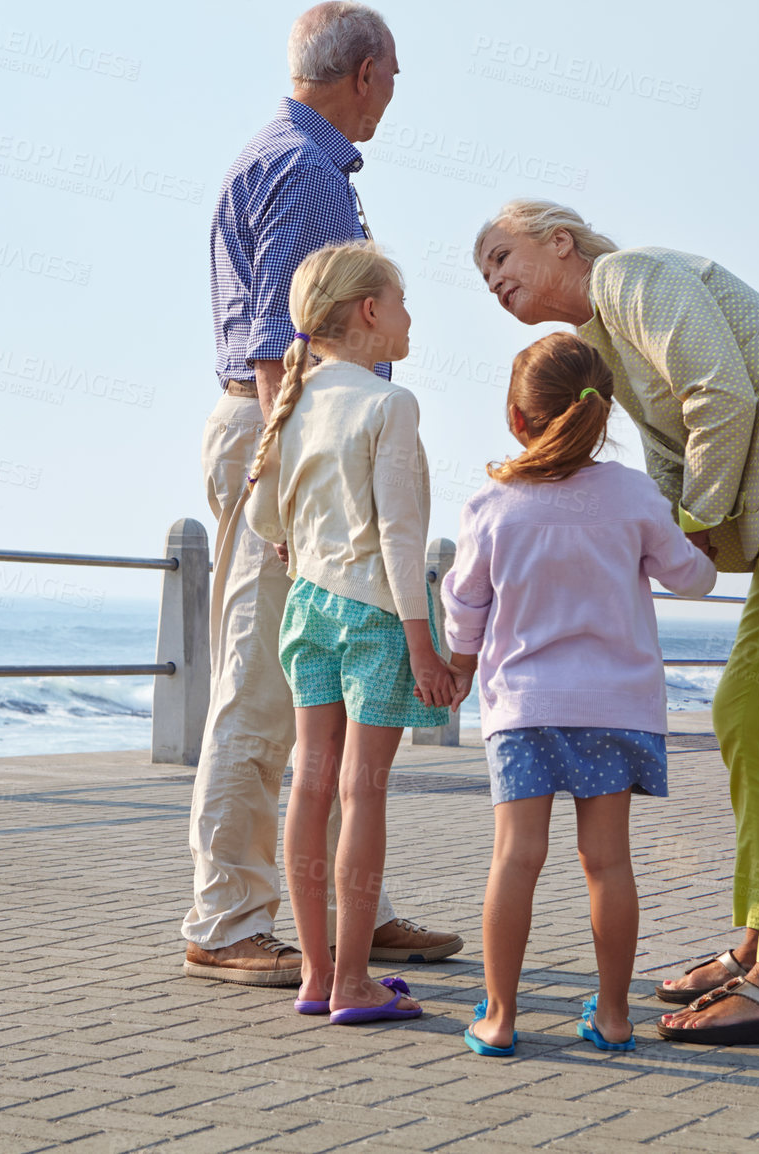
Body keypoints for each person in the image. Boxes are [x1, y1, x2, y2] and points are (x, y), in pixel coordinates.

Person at [474, 200, 759, 1045]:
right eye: (482, 273)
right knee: (741, 715)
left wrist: (686, 526)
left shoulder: (629, 275)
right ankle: (758, 941)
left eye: (501, 255)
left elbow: (723, 394)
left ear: (559, 241)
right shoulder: (602, 348)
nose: (493, 278)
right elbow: (673, 466)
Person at [185, 2, 461, 986]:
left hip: (299, 444)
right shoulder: (303, 171)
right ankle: (227, 916)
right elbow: (279, 352)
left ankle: (355, 908)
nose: (395, 91)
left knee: (332, 686)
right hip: (296, 449)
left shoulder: (298, 159)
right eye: (395, 74)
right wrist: (300, 490)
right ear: (368, 69)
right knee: (271, 684)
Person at [442, 333, 717, 1056]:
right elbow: (690, 577)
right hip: (616, 707)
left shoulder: (494, 505)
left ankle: (499, 1018)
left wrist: (463, 666)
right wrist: (705, 544)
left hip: (525, 710)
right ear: (602, 414)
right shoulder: (633, 495)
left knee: (516, 859)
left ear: (517, 416)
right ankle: (617, 1015)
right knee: (609, 863)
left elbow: (465, 603)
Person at [246, 242, 465, 1023]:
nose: (410, 318)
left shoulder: (295, 402)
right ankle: (354, 983)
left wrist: (302, 541)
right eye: (402, 303)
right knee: (362, 794)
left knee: (309, 786)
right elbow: (401, 536)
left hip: (307, 609)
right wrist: (422, 641)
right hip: (375, 614)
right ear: (370, 312)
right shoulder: (388, 402)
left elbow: (268, 517)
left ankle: (314, 974)